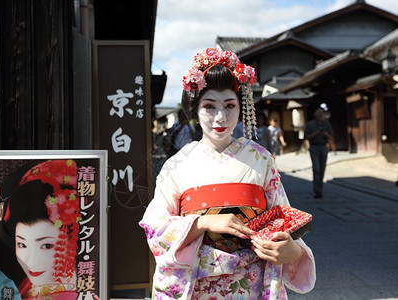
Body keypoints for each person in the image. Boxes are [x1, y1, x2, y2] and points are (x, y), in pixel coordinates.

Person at [139, 48, 315, 299]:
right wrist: (203, 222)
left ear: (240, 108)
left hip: (251, 282)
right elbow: (154, 227)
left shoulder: (261, 159)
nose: (220, 117)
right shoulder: (177, 165)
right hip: (197, 285)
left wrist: (292, 251)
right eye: (209, 106)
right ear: (195, 109)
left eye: (230, 105)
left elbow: (283, 217)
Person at [0, 160, 81, 300]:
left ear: (71, 240)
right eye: (22, 244)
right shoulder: (28, 285)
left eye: (46, 245)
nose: (31, 261)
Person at [304, 108, 334, 198]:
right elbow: (306, 136)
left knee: (322, 169)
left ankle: (320, 190)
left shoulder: (326, 124)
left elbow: (331, 136)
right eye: (319, 113)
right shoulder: (310, 124)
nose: (321, 115)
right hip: (314, 147)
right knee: (316, 169)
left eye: (322, 113)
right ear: (315, 114)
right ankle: (316, 190)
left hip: (324, 147)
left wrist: (325, 134)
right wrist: (315, 133)